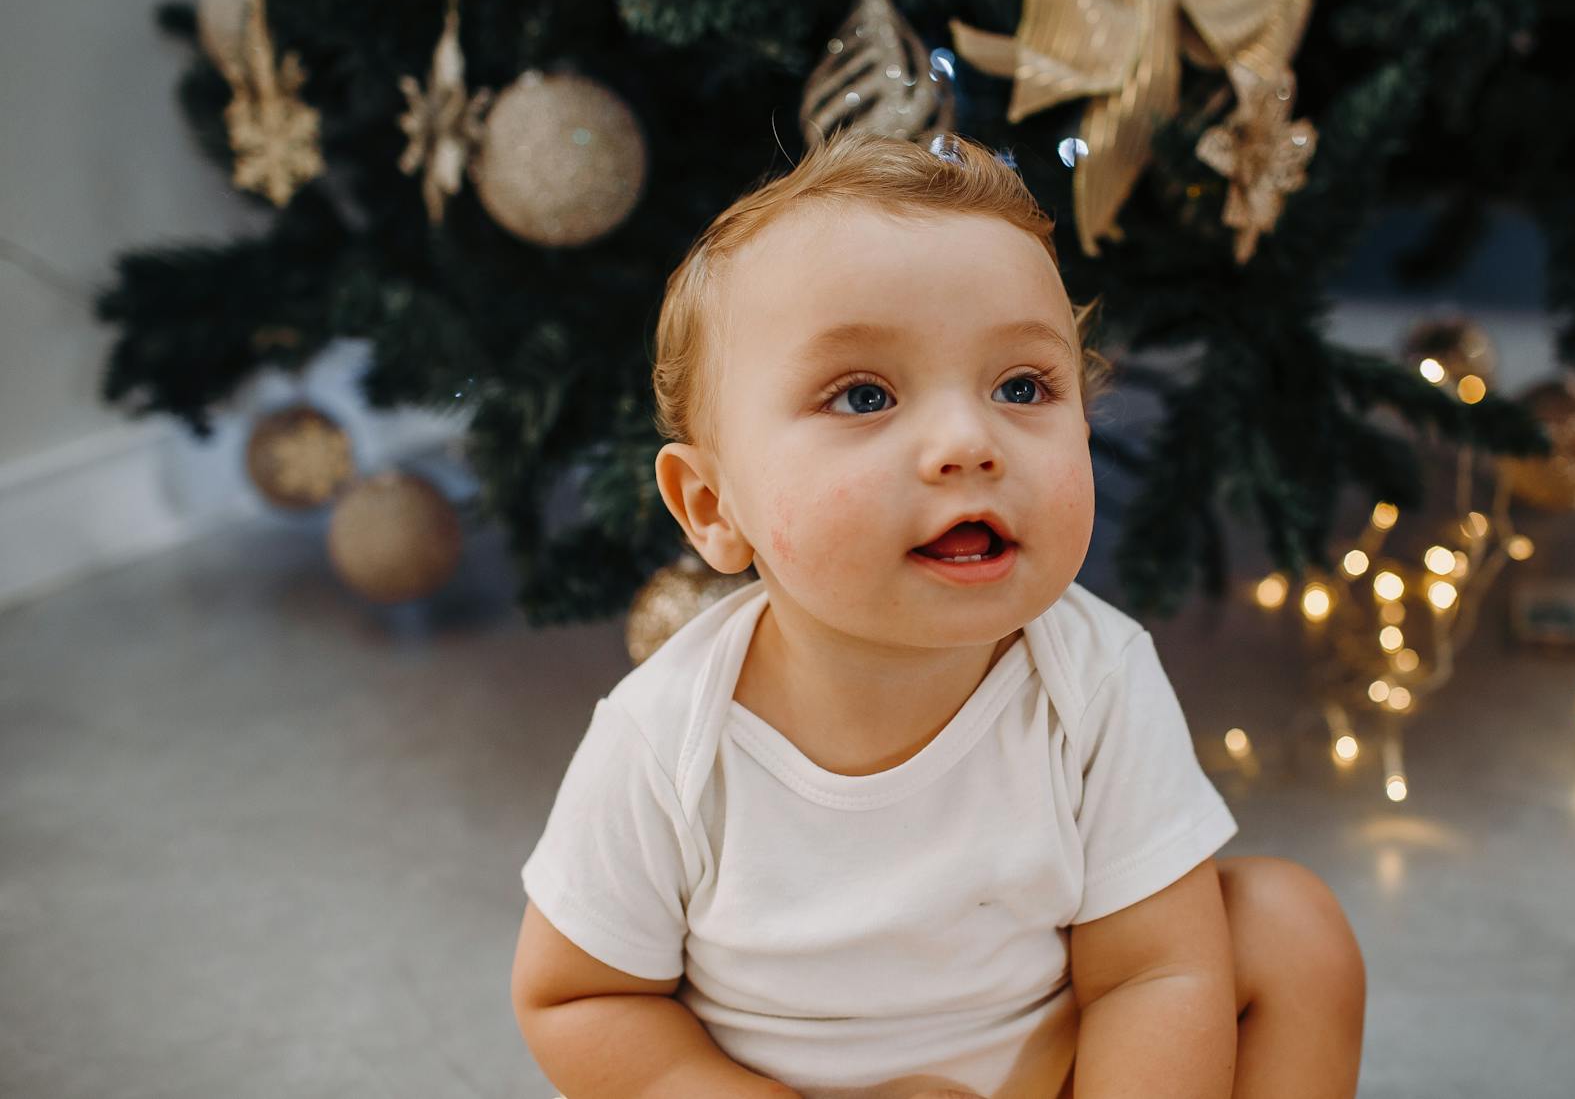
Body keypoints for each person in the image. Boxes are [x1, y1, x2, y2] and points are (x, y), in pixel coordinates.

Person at [509, 129, 1366, 1098]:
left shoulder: (1091, 672)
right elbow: (579, 1000)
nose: (968, 440)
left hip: (1042, 1072)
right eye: (864, 394)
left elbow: (1148, 969)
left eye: (1022, 385)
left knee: (1283, 924)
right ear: (713, 506)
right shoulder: (666, 737)